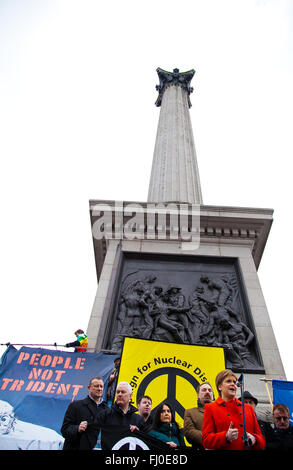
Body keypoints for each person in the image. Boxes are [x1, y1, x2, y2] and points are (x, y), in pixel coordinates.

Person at [201, 369, 266, 450]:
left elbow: (262, 441)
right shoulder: (211, 408)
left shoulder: (247, 408)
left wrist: (255, 439)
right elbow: (206, 440)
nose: (233, 384)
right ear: (219, 387)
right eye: (228, 381)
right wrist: (226, 436)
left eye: (234, 382)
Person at [61, 376, 107, 450]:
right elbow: (64, 430)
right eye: (96, 386)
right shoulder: (75, 406)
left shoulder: (106, 410)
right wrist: (77, 428)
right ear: (89, 388)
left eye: (101, 386)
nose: (99, 389)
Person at [98, 382, 146, 449]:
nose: (119, 394)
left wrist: (138, 433)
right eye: (118, 392)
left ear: (130, 396)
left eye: (123, 392)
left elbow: (144, 443)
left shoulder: (138, 419)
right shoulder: (105, 415)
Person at [184, 381, 214, 449]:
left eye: (210, 390)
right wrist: (212, 439)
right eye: (204, 390)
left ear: (213, 395)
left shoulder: (220, 411)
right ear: (198, 395)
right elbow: (189, 432)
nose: (207, 392)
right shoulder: (190, 412)